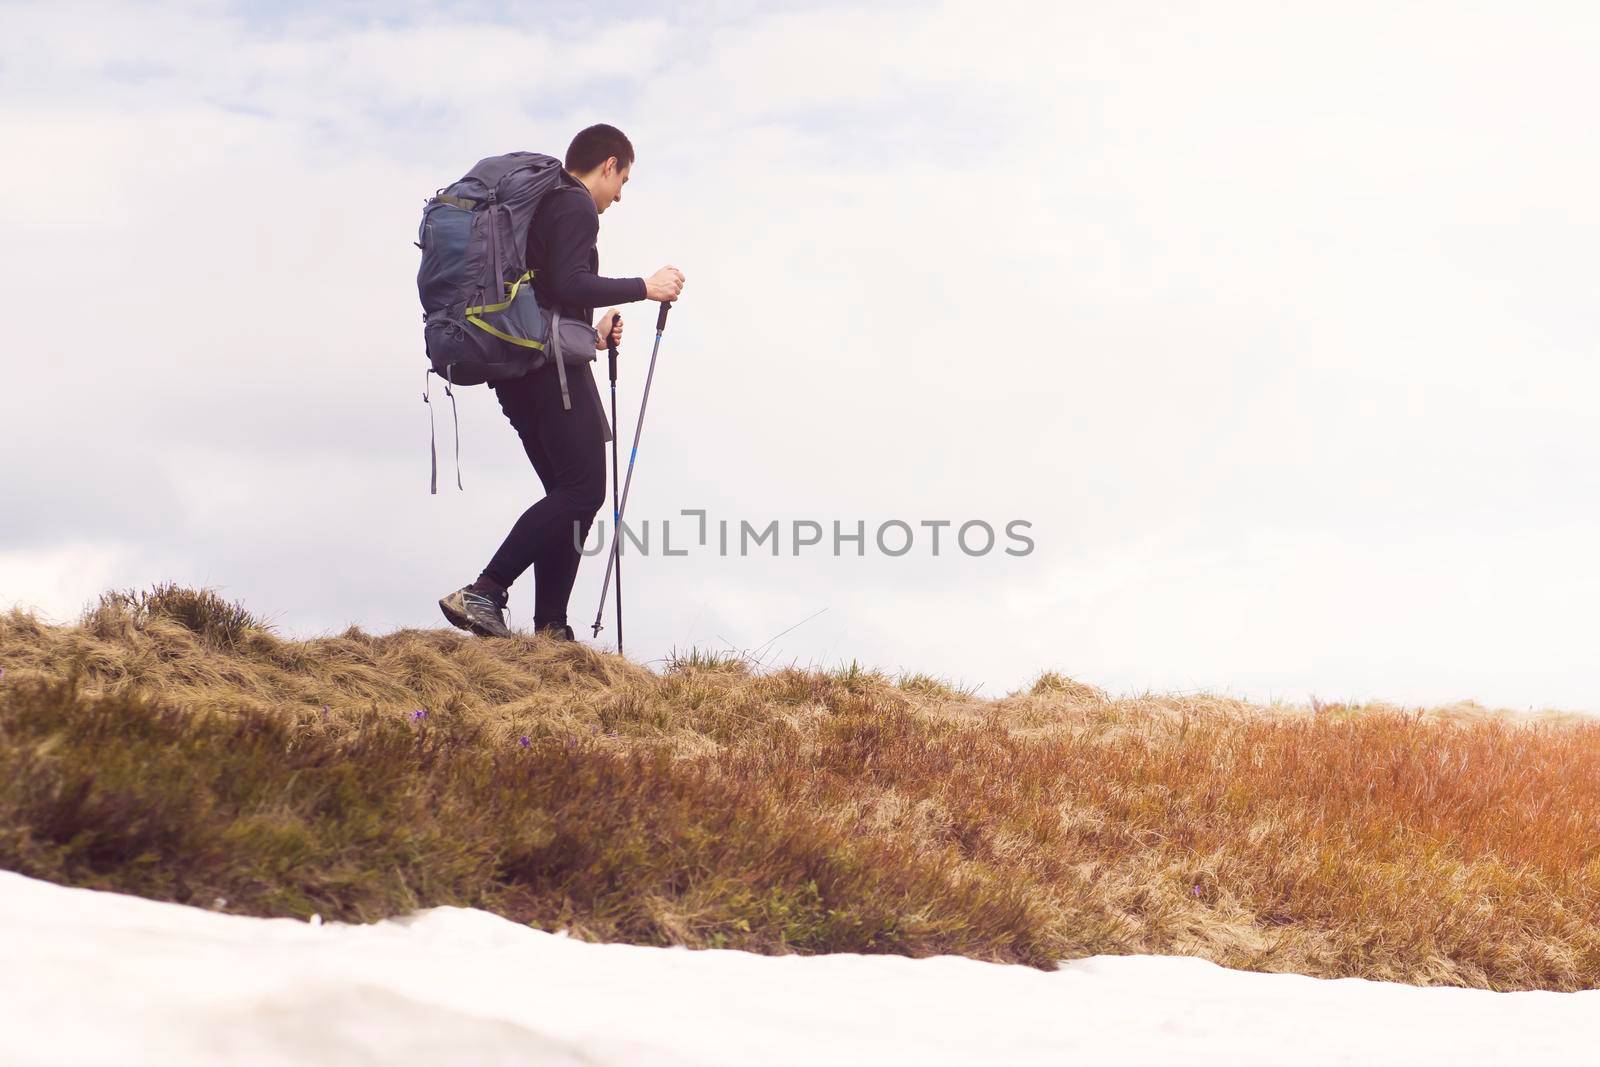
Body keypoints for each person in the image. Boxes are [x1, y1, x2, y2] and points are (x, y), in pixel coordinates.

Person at [438, 124, 685, 640]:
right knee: (582, 490)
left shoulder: (544, 204)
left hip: (519, 368)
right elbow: (570, 280)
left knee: (566, 493)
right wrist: (646, 287)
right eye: (623, 181)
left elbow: (548, 290)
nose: (619, 195)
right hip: (549, 373)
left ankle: (551, 628)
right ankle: (487, 590)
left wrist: (590, 336)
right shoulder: (572, 202)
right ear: (609, 164)